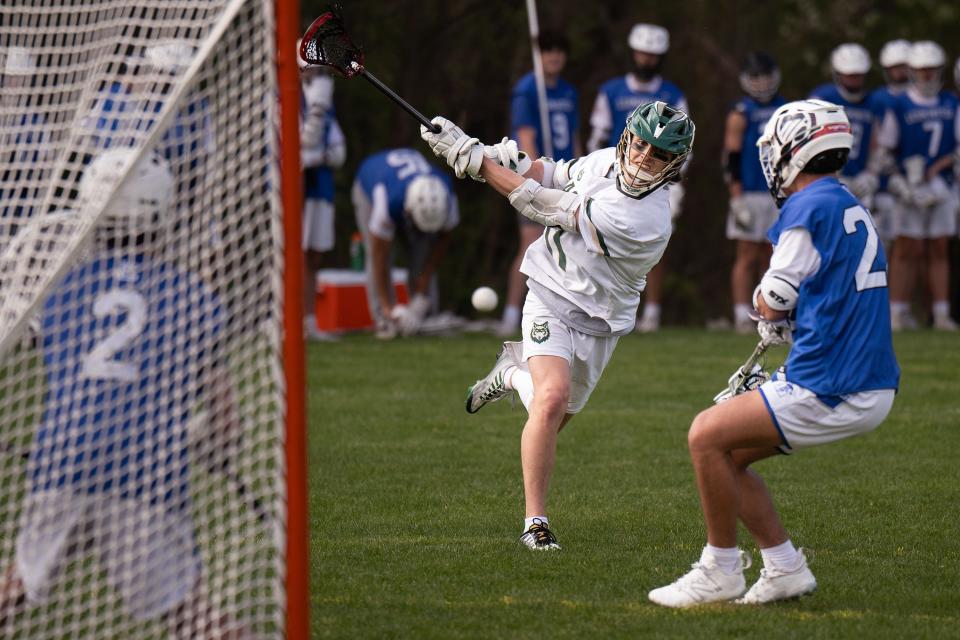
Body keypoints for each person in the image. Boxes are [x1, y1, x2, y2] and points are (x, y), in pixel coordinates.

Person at [649, 99, 899, 607]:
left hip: (834, 380)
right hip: (863, 376)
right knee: (730, 457)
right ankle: (785, 568)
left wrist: (769, 312)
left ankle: (719, 569)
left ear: (793, 149)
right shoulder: (845, 202)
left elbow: (775, 295)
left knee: (704, 436)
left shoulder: (807, 208)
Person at [0, 150, 253, 638]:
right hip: (145, 476)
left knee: (18, 586)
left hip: (62, 463)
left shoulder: (63, 289)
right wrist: (215, 445)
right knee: (193, 616)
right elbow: (224, 418)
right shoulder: (192, 297)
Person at [421, 101, 695, 549]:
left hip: (601, 322)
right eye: (641, 145)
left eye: (659, 154)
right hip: (549, 291)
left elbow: (541, 204)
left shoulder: (646, 220)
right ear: (629, 138)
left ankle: (510, 374)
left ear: (674, 164)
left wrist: (479, 164)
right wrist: (494, 156)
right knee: (550, 401)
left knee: (551, 415)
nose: (644, 158)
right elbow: (550, 176)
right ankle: (535, 524)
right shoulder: (607, 160)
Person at [588, 23, 689, 333]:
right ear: (633, 53)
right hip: (615, 174)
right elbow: (598, 136)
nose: (647, 60)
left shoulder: (672, 94)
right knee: (597, 236)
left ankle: (652, 313)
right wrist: (598, 170)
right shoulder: (611, 90)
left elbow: (685, 143)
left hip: (658, 180)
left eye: (653, 55)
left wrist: (677, 182)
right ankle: (598, 304)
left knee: (654, 242)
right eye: (643, 53)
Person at [498, 30, 582, 337]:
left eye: (559, 50)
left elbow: (573, 137)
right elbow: (526, 135)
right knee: (531, 242)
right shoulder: (527, 89)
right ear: (539, 54)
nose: (554, 56)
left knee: (566, 247)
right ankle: (510, 314)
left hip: (565, 176)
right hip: (537, 176)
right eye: (548, 50)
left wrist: (578, 172)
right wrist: (536, 176)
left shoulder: (568, 92)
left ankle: (562, 315)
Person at [876, 41, 958, 331]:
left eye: (932, 71)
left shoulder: (951, 103)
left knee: (938, 247)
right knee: (906, 248)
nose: (927, 77)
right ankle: (898, 311)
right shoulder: (898, 105)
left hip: (940, 184)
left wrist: (940, 166)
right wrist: (898, 180)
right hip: (909, 188)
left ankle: (941, 313)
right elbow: (884, 150)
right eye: (922, 71)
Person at [351, 148, 459, 339]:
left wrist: (424, 279)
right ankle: (384, 320)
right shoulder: (387, 201)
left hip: (407, 189)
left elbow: (443, 240)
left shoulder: (446, 197)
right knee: (377, 254)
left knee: (423, 252)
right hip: (368, 184)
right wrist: (388, 308)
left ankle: (424, 314)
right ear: (408, 211)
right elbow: (379, 257)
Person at [723, 52, 787, 334]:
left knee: (773, 256)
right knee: (746, 254)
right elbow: (731, 157)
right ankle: (740, 315)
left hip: (780, 191)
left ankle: (768, 310)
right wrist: (736, 197)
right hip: (749, 191)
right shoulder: (741, 111)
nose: (761, 84)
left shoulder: (786, 108)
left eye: (765, 77)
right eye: (755, 77)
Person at [299, 50, 346, 342]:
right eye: (311, 71)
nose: (317, 77)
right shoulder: (283, 100)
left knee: (314, 255)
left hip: (320, 186)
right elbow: (303, 143)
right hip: (297, 187)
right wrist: (315, 112)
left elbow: (338, 151)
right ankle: (289, 320)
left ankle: (310, 321)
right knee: (296, 254)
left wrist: (317, 155)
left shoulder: (324, 105)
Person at [809, 44, 886, 211]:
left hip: (859, 177)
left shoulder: (874, 102)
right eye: (850, 75)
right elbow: (810, 139)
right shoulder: (824, 97)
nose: (854, 80)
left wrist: (871, 174)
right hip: (828, 177)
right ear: (838, 74)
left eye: (858, 75)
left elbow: (877, 143)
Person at [871, 39, 913, 249]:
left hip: (914, 179)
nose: (901, 72)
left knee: (910, 245)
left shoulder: (918, 98)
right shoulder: (877, 98)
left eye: (904, 66)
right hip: (882, 182)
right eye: (896, 67)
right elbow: (875, 140)